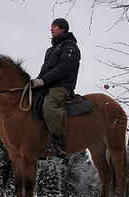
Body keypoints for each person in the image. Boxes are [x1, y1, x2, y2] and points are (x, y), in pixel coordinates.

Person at [31, 18, 81, 158]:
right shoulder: (51, 50)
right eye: (51, 26)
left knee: (50, 105)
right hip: (48, 85)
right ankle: (40, 143)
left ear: (63, 29)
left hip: (62, 86)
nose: (51, 29)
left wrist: (44, 80)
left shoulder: (70, 46)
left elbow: (64, 68)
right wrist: (35, 82)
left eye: (54, 26)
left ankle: (59, 144)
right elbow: (44, 70)